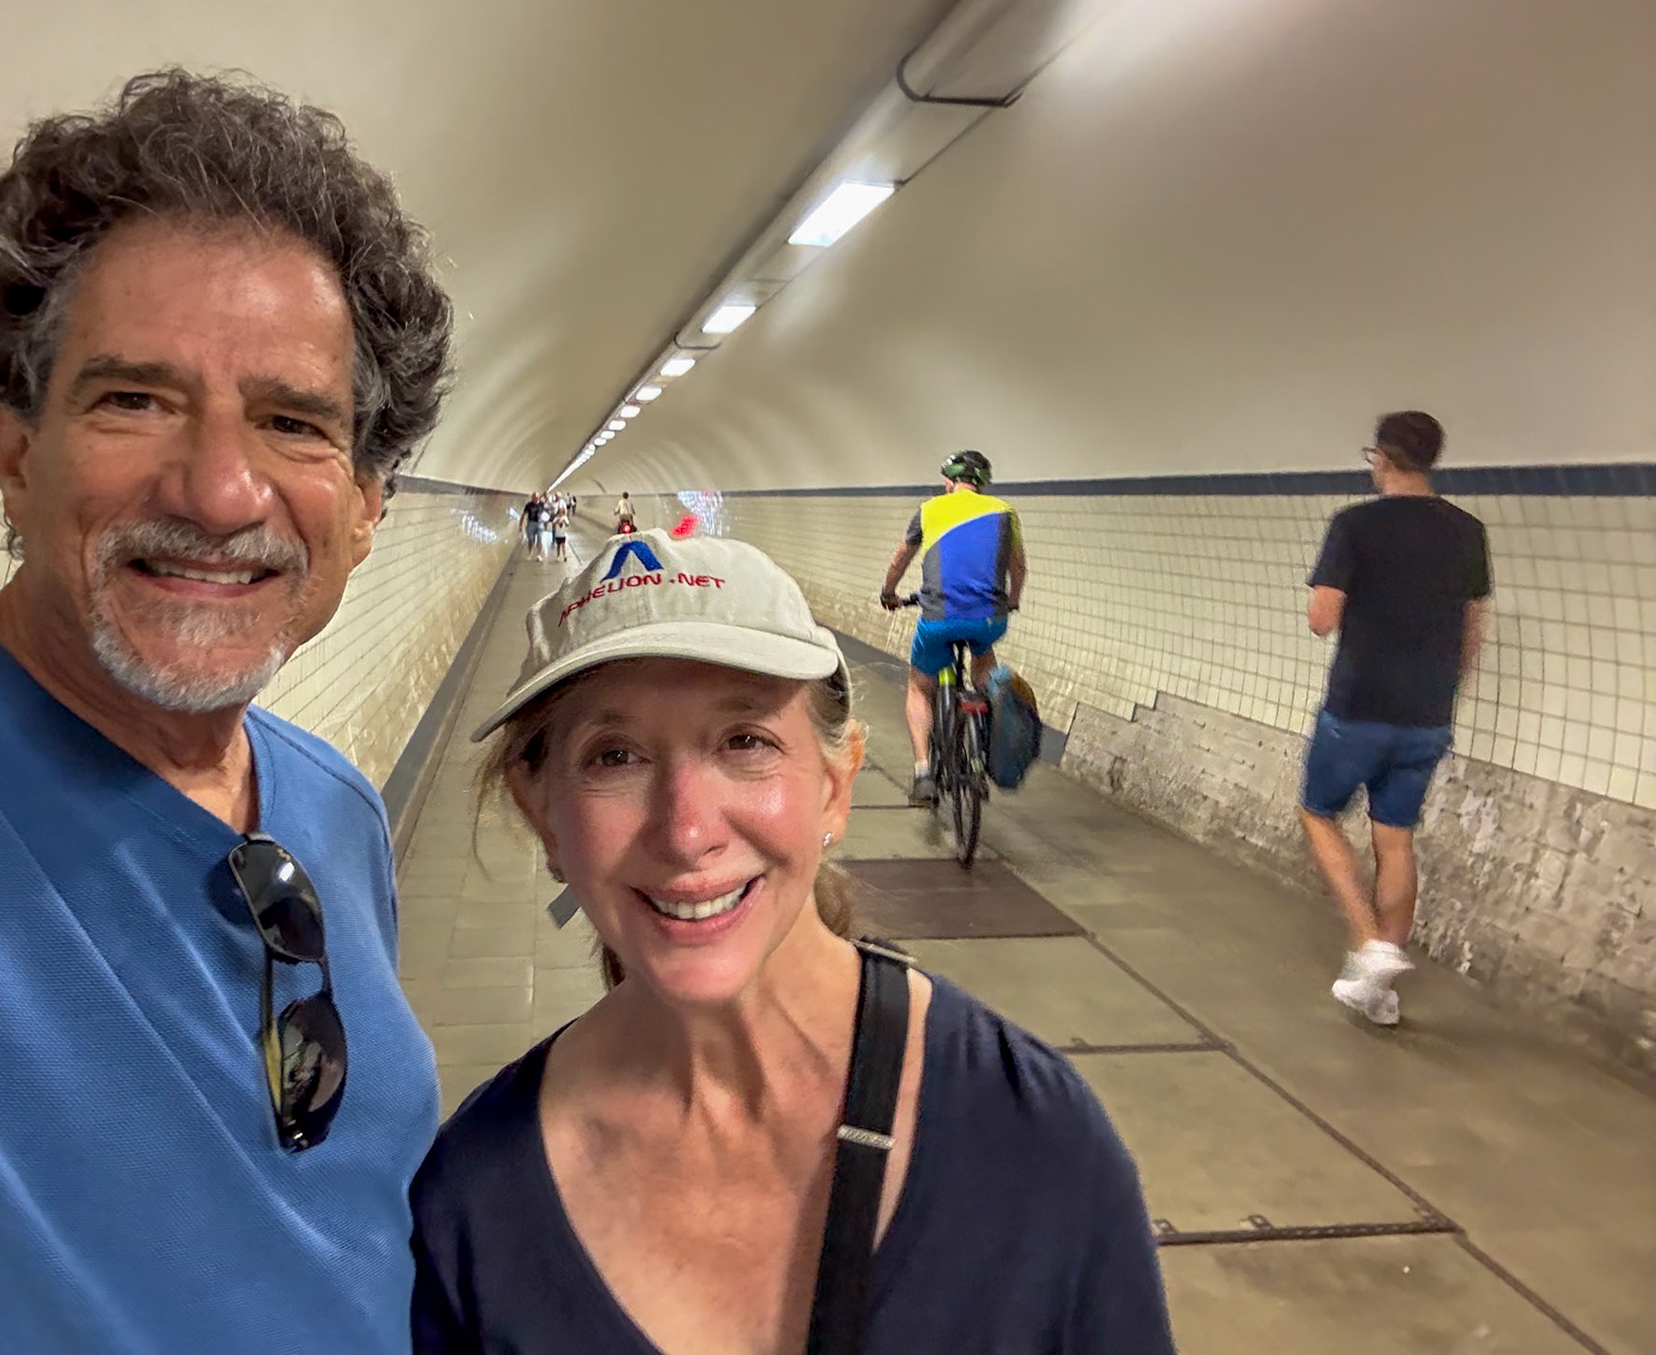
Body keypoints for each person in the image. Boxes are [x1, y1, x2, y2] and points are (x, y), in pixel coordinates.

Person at [0, 70, 452, 1353]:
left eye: (292, 423)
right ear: (15, 450)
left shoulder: (334, 812)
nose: (222, 489)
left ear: (365, 503)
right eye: (136, 399)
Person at [411, 532, 1173, 1353]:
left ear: (835, 787)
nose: (687, 830)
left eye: (745, 742)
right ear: (541, 813)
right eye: (615, 755)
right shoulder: (478, 1207)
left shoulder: (1030, 1141)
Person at [1302, 412, 1490, 1026]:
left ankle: (1370, 945)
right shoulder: (1467, 531)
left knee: (1319, 813)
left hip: (1359, 705)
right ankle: (1379, 991)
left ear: (1381, 457)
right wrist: (1443, 688)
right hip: (1428, 712)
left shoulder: (1355, 525)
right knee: (1396, 837)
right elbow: (1472, 629)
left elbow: (1322, 618)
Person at [879, 450, 1025, 807]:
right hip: (989, 618)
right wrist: (1013, 599)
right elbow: (1018, 567)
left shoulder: (929, 510)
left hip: (939, 618)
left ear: (949, 482)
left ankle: (923, 772)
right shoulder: (1005, 513)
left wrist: (889, 593)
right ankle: (990, 710)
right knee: (982, 655)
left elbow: (901, 557)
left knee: (919, 686)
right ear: (982, 483)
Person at [522, 492, 547, 558]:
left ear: (539, 497)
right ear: (532, 497)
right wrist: (521, 524)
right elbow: (524, 514)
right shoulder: (529, 505)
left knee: (540, 539)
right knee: (531, 539)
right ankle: (530, 552)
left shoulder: (542, 504)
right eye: (534, 497)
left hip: (540, 523)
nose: (536, 499)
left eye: (537, 497)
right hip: (531, 523)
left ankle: (539, 554)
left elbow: (546, 512)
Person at [548, 494, 571, 563]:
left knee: (563, 545)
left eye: (562, 512)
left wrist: (564, 521)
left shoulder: (565, 518)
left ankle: (564, 556)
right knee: (558, 545)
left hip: (563, 534)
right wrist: (557, 521)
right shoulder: (556, 518)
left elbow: (568, 524)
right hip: (558, 534)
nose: (561, 513)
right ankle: (558, 556)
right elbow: (553, 524)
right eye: (559, 512)